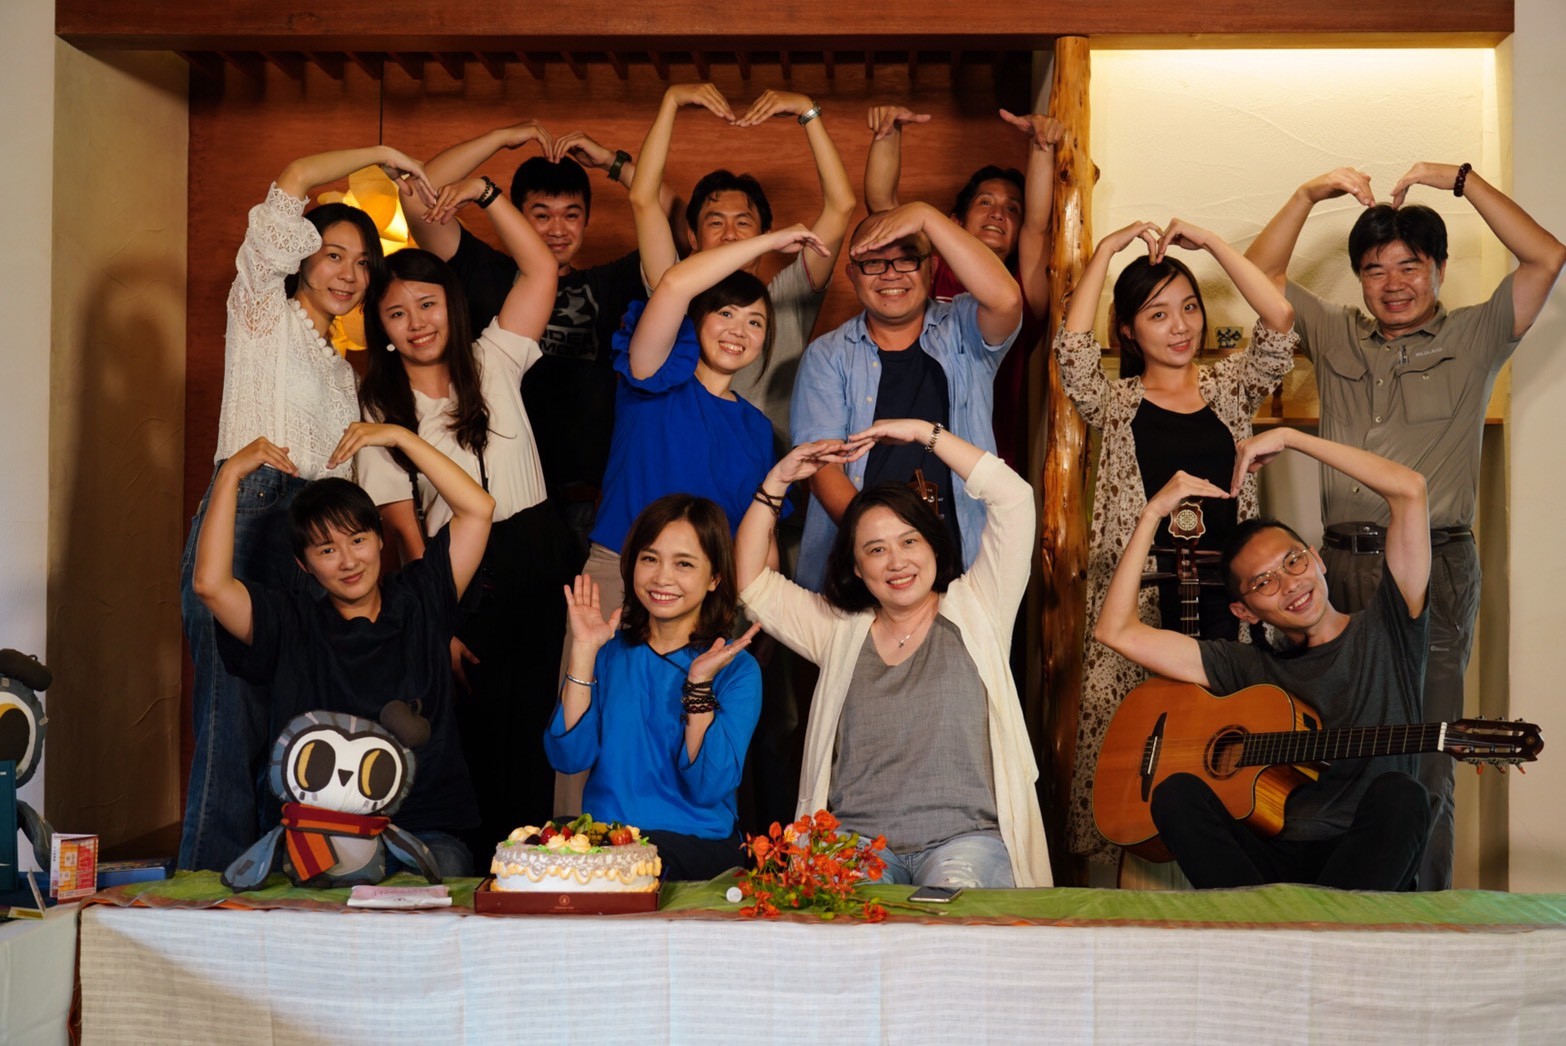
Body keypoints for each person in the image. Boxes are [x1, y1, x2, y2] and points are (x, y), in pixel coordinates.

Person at [1244, 163, 1566, 889]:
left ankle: (1424, 925)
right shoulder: (1335, 333)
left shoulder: (1479, 333)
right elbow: (1256, 274)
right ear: (1359, 279)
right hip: (1337, 567)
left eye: (1409, 266)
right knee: (1335, 752)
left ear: (1439, 270)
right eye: (1374, 269)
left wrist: (1457, 179)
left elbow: (1547, 256)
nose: (1393, 283)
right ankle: (1347, 910)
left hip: (1435, 568)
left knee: (1427, 754)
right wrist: (1307, 193)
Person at [178, 146, 436, 872]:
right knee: (230, 717)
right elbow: (291, 181)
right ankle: (205, 886)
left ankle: (277, 879)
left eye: (362, 263)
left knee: (291, 725)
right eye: (333, 255)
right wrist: (382, 155)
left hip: (309, 539)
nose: (348, 274)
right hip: (248, 516)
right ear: (299, 256)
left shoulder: (342, 371)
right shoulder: (263, 313)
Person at [1094, 427, 1432, 890]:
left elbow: (1410, 490)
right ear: (1244, 611)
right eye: (1263, 582)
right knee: (1174, 793)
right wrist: (1152, 513)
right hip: (1269, 865)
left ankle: (1327, 926)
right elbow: (1115, 630)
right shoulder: (1246, 667)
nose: (1290, 584)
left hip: (1367, 861)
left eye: (1293, 561)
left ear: (1317, 560)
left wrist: (1291, 439)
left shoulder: (1389, 628)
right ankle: (1262, 919)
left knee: (1403, 795)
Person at [1055, 219, 1297, 865]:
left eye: (1189, 307)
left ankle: (1225, 878)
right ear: (1128, 331)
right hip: (1142, 604)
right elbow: (1072, 350)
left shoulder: (1229, 389)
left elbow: (1279, 321)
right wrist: (1105, 251)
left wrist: (1214, 244)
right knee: (1134, 751)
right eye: (1158, 314)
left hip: (1230, 602)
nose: (1180, 326)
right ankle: (1128, 876)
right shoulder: (1116, 403)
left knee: (1225, 747)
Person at [357, 173, 577, 857]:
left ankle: (530, 868)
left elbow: (540, 268)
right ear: (381, 327)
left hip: (540, 549)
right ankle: (476, 876)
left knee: (538, 723)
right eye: (398, 313)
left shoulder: (494, 355)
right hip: (457, 570)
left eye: (428, 304)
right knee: (477, 728)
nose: (417, 322)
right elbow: (402, 529)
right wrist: (438, 623)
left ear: (451, 307)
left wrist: (487, 193)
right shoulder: (381, 407)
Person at [735, 419, 1052, 889]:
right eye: (876, 550)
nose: (897, 561)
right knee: (849, 925)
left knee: (951, 920)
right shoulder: (839, 630)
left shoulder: (980, 607)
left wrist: (925, 433)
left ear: (933, 546)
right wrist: (777, 481)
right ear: (857, 568)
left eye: (908, 541)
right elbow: (752, 584)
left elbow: (1014, 499)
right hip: (856, 845)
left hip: (965, 841)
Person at [192, 422, 495, 877]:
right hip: (318, 836)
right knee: (299, 891)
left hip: (425, 831)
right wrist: (231, 474)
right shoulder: (290, 620)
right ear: (304, 564)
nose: (349, 561)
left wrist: (400, 438)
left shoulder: (421, 599)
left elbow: (478, 509)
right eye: (327, 550)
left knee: (434, 881)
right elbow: (210, 585)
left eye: (357, 540)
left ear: (379, 539)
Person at [402, 121, 681, 553]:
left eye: (571, 215)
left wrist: (611, 161)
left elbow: (677, 222)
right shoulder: (483, 271)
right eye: (541, 214)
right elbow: (415, 194)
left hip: (586, 499)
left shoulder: (608, 283)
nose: (557, 229)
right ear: (516, 213)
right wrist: (500, 137)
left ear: (586, 220)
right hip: (496, 490)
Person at [790, 203, 1023, 592]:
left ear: (932, 268)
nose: (891, 274)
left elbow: (1007, 300)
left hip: (963, 572)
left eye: (907, 259)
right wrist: (883, 552)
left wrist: (925, 216)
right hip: (860, 573)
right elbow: (821, 467)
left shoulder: (963, 330)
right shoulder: (828, 355)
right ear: (852, 274)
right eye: (874, 263)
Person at [547, 495, 763, 880]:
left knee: (636, 867)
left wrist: (699, 686)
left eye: (684, 564)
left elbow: (708, 787)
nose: (662, 578)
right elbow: (568, 757)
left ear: (714, 577)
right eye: (650, 559)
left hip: (695, 842)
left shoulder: (737, 669)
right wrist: (583, 651)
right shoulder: (607, 652)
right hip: (608, 841)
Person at [629, 82, 857, 446]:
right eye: (715, 222)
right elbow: (643, 198)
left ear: (766, 234)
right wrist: (670, 101)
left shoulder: (785, 297)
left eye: (743, 222)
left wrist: (807, 111)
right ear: (693, 237)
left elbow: (841, 205)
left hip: (769, 467)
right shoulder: (676, 292)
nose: (731, 235)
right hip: (682, 463)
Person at [863, 106, 1064, 468]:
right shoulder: (929, 270)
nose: (998, 213)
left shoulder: (1023, 288)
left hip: (985, 466)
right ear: (953, 222)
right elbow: (883, 212)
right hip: (909, 454)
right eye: (984, 202)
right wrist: (886, 135)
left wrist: (1042, 146)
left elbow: (1037, 226)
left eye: (1012, 209)